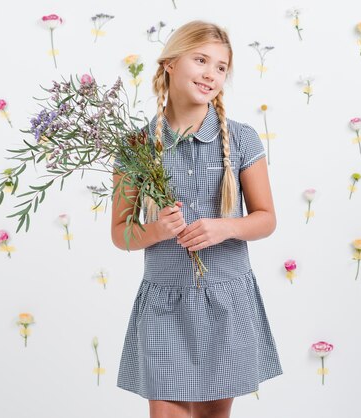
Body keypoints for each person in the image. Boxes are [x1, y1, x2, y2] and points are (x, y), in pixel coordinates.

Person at [111, 20, 283, 418]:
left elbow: (266, 218)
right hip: (164, 303)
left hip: (226, 300)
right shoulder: (136, 145)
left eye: (221, 67)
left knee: (211, 416)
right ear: (170, 63)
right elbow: (120, 234)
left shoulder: (241, 139)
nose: (211, 74)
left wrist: (225, 226)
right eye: (201, 59)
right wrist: (156, 229)